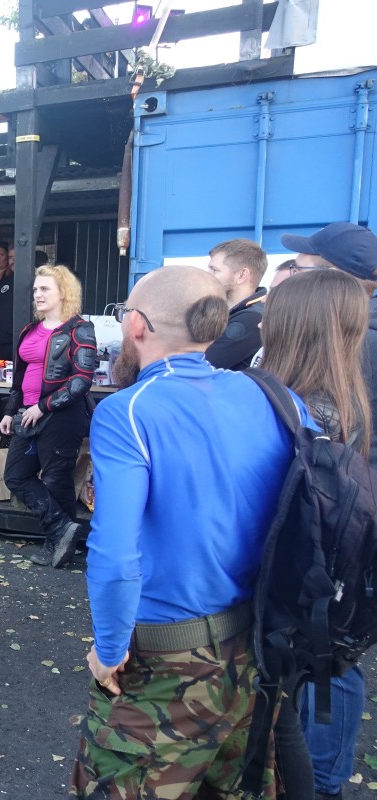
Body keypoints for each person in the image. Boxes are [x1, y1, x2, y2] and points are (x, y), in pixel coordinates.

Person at [71, 265, 312, 799]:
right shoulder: (273, 396)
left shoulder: (127, 412)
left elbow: (114, 553)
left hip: (164, 660)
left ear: (137, 325)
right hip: (251, 648)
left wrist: (109, 649)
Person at [258, 268, 372, 800]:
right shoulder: (344, 393)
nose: (261, 321)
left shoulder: (300, 405)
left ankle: (320, 783)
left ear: (292, 327)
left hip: (295, 575)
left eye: (271, 313)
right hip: (326, 571)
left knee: (296, 691)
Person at [0, 265, 96, 568]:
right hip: (26, 414)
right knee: (15, 476)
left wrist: (43, 407)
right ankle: (61, 529)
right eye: (35, 290)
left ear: (63, 292)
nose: (37, 295)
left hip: (60, 416)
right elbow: (19, 378)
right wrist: (10, 411)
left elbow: (81, 380)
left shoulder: (79, 328)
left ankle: (60, 545)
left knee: (56, 478)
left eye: (44, 289)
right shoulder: (30, 330)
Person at [204, 238, 268, 370]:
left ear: (241, 275)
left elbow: (203, 364)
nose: (207, 276)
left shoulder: (251, 319)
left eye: (214, 270)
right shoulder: (234, 312)